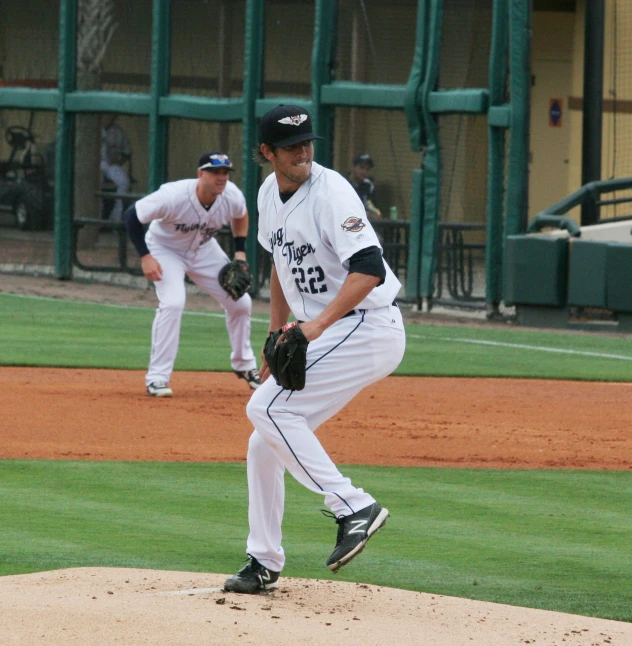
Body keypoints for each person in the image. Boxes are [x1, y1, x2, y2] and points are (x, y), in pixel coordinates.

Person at [223, 105, 406, 594]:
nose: (302, 151)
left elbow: (369, 267)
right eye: (290, 146)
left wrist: (314, 328)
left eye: (307, 142)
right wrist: (278, 329)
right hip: (335, 328)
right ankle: (263, 561)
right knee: (264, 438)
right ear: (267, 153)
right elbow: (281, 267)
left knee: (264, 407)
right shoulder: (268, 193)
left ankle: (354, 506)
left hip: (367, 325)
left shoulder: (331, 193)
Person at [124, 150, 261, 397]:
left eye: (225, 173)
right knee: (174, 303)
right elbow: (132, 215)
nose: (221, 178)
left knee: (241, 303)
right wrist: (145, 256)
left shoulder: (231, 195)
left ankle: (245, 365)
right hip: (165, 249)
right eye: (215, 172)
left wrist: (240, 252)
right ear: (201, 174)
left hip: (203, 249)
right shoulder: (173, 195)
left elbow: (241, 216)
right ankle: (157, 378)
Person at [101, 113, 132, 222]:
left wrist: (118, 161)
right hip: (92, 165)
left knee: (124, 181)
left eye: (112, 115)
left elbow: (127, 153)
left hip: (110, 165)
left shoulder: (119, 132)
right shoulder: (91, 129)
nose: (109, 118)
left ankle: (115, 219)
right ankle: (97, 217)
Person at [347, 152, 382, 219]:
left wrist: (369, 215)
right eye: (362, 168)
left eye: (367, 169)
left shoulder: (368, 186)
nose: (364, 172)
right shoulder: (344, 183)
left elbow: (377, 213)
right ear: (353, 167)